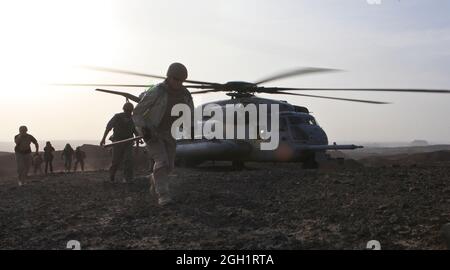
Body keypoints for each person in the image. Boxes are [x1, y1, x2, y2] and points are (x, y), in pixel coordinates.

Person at [133, 63, 194, 206]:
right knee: (162, 161)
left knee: (169, 166)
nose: (178, 83)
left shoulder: (185, 94)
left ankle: (154, 179)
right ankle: (163, 195)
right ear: (168, 76)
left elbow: (189, 113)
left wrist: (189, 128)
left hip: (169, 133)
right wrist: (145, 129)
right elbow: (137, 113)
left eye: (181, 80)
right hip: (152, 131)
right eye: (175, 79)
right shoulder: (156, 91)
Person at [100, 102, 139, 183]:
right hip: (117, 141)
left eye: (130, 111)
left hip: (129, 141)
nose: (128, 112)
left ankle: (128, 178)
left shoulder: (133, 119)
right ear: (124, 110)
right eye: (127, 110)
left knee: (128, 160)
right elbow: (109, 127)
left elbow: (137, 133)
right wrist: (103, 139)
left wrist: (137, 147)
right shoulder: (117, 117)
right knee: (116, 161)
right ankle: (111, 177)